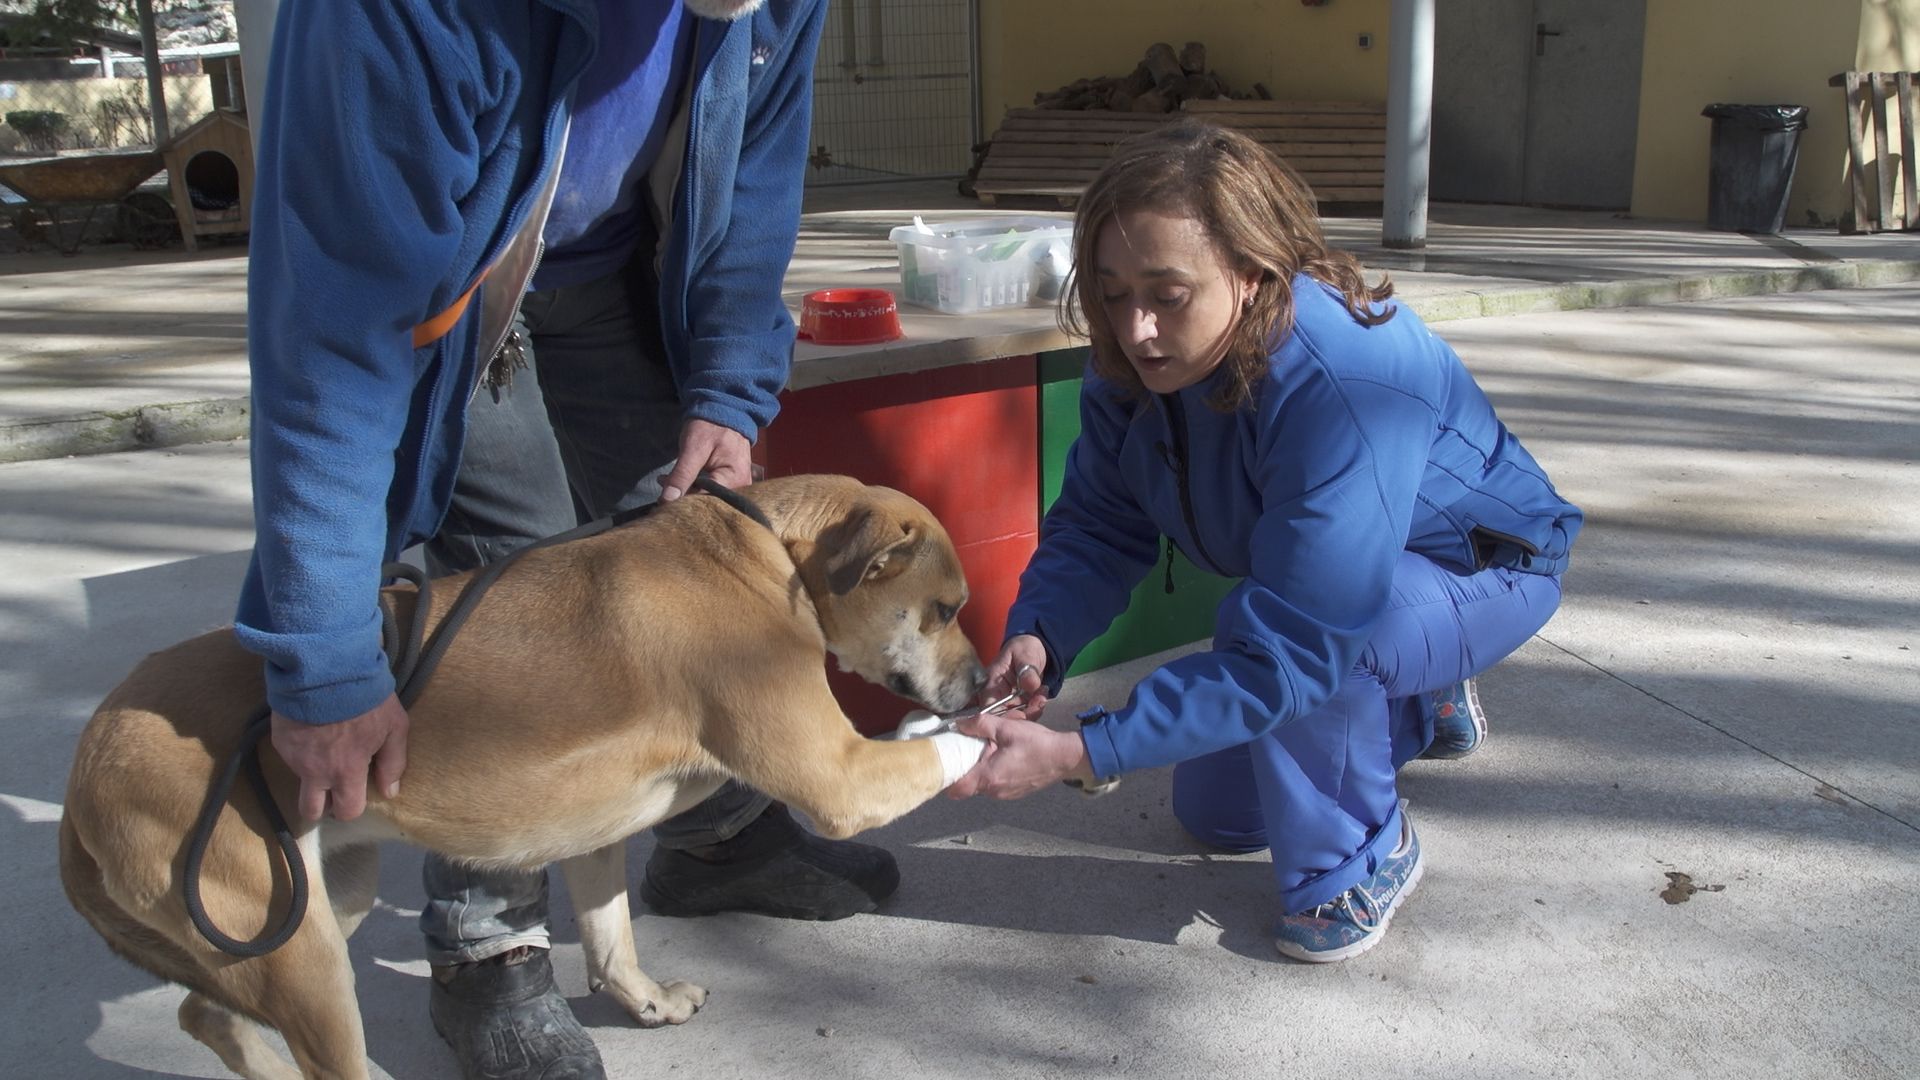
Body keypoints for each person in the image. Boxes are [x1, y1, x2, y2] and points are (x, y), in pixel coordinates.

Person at [234, 2, 896, 1077]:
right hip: (447, 283)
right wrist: (319, 660)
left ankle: (709, 837)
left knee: (694, 551)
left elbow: (758, 181)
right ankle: (488, 949)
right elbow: (328, 341)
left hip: (608, 264)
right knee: (518, 589)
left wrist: (728, 392)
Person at [947, 120, 1582, 963]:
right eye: (1110, 291)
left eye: (1167, 295)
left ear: (1250, 273)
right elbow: (1103, 522)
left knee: (1306, 648)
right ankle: (1423, 698)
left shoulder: (1344, 377)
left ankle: (1363, 861)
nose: (1134, 329)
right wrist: (1040, 637)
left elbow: (1298, 645)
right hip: (1354, 584)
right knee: (1218, 818)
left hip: (1489, 567)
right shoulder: (1133, 363)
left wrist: (1079, 749)